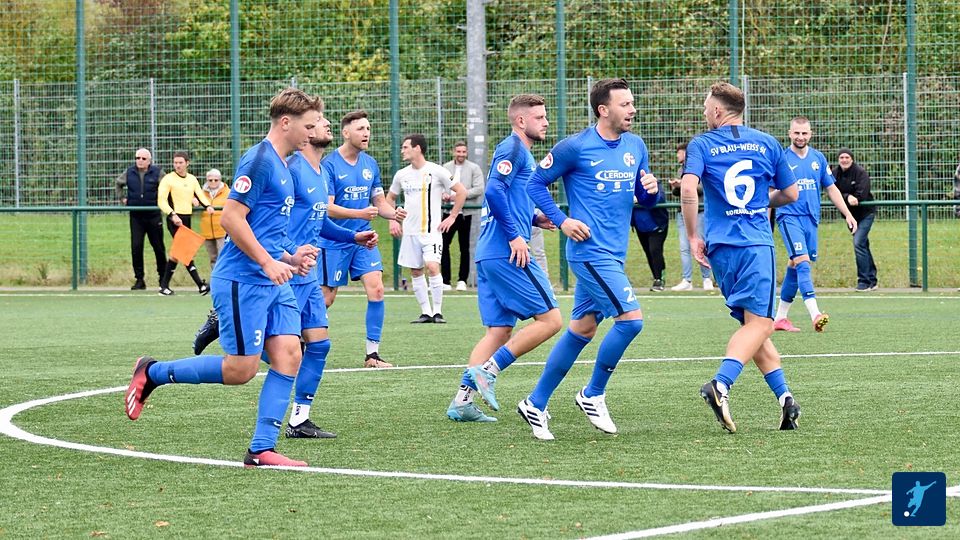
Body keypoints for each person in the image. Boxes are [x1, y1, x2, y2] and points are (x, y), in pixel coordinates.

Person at [124, 88, 323, 467]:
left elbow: (264, 230)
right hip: (242, 279)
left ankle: (261, 449)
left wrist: (290, 256)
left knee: (289, 353)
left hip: (271, 279)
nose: (312, 134)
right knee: (240, 370)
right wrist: (268, 263)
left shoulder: (285, 165)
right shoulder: (260, 160)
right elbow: (231, 218)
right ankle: (152, 372)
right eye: (308, 126)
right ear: (286, 123)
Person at [521, 78, 659, 440]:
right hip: (589, 253)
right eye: (625, 104)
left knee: (582, 329)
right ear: (603, 109)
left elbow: (645, 199)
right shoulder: (575, 147)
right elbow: (534, 184)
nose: (632, 110)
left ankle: (535, 402)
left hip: (614, 253)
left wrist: (651, 192)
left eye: (632, 103)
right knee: (631, 321)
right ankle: (593, 393)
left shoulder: (636, 146)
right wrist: (563, 220)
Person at [680, 81, 801, 433]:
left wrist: (693, 235)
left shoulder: (701, 144)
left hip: (720, 248)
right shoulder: (767, 142)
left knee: (752, 326)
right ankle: (720, 385)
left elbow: (688, 188)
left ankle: (786, 399)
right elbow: (791, 193)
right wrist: (764, 201)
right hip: (754, 244)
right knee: (761, 324)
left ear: (718, 111)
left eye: (706, 107)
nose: (704, 112)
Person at [445, 94, 562, 424]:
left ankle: (462, 403)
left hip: (488, 254)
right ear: (521, 121)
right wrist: (514, 235)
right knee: (551, 320)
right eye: (539, 117)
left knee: (498, 331)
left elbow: (506, 197)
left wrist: (534, 218)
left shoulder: (520, 153)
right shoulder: (513, 148)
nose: (546, 122)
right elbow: (494, 191)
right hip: (506, 251)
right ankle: (490, 371)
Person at [283, 98, 379, 438]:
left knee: (319, 345)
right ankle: (227, 328)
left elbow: (320, 221)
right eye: (318, 121)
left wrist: (354, 237)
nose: (325, 124)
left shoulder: (322, 172)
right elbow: (268, 223)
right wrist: (288, 254)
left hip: (307, 275)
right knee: (272, 356)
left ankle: (299, 420)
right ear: (306, 132)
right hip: (287, 272)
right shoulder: (291, 169)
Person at [320, 110, 406, 368]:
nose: (366, 133)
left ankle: (372, 355)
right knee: (325, 299)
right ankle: (297, 342)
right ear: (346, 133)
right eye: (360, 129)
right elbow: (327, 208)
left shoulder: (370, 164)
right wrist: (359, 213)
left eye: (368, 128)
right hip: (335, 239)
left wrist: (394, 213)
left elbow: (379, 202)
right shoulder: (329, 165)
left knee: (377, 289)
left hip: (364, 240)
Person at [772, 117, 857, 333]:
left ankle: (780, 318)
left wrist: (847, 214)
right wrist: (764, 219)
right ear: (790, 133)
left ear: (810, 134)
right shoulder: (782, 159)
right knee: (802, 262)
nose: (800, 137)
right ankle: (815, 314)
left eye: (804, 133)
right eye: (796, 133)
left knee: (795, 265)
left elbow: (831, 189)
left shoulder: (818, 158)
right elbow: (770, 193)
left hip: (810, 219)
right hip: (789, 216)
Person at [386, 134, 467, 323]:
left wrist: (452, 216)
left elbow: (461, 191)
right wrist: (393, 220)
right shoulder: (402, 175)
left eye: (405, 147)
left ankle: (438, 312)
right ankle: (426, 312)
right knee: (416, 271)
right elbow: (390, 198)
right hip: (410, 232)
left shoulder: (436, 171)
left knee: (432, 266)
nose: (402, 151)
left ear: (417, 148)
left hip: (432, 232)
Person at [157, 151, 214, 296]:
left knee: (178, 253)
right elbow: (161, 201)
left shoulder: (192, 179)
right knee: (185, 251)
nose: (178, 165)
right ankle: (200, 284)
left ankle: (164, 286)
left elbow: (200, 195)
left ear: (187, 163)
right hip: (175, 219)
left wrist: (208, 206)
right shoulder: (168, 179)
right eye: (175, 163)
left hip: (186, 218)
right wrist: (172, 214)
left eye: (180, 163)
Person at [116, 148, 166, 290]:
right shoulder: (129, 172)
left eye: (143, 158)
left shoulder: (158, 172)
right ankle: (139, 279)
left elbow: (167, 187)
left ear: (149, 160)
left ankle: (163, 278)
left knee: (158, 247)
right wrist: (122, 198)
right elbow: (118, 183)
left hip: (153, 215)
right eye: (138, 158)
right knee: (136, 247)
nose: (140, 161)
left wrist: (163, 202)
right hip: (136, 216)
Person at [668, 142, 713, 291]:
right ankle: (687, 280)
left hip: (699, 212)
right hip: (682, 213)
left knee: (701, 245)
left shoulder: (700, 166)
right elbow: (678, 193)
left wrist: (684, 184)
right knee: (684, 247)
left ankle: (707, 278)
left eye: (679, 152)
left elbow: (700, 188)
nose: (677, 155)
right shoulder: (681, 169)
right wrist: (676, 186)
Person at [441, 141, 485, 291]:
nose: (461, 154)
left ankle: (462, 280)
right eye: (458, 151)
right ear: (454, 152)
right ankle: (445, 281)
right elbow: (439, 186)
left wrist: (461, 195)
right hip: (447, 212)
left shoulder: (474, 168)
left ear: (466, 153)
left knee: (464, 247)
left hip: (465, 213)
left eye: (463, 152)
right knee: (443, 245)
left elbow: (479, 188)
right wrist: (444, 195)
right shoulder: (445, 168)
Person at [832, 148, 878, 291]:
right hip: (849, 216)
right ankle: (872, 280)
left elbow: (861, 195)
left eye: (847, 157)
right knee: (862, 245)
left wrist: (852, 197)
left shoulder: (860, 173)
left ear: (852, 159)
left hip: (865, 214)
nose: (844, 160)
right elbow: (832, 191)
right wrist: (847, 197)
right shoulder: (835, 173)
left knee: (858, 243)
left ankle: (863, 281)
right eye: (841, 157)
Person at [630, 179, 669, 291]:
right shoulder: (630, 185)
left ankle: (660, 279)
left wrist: (641, 198)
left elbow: (660, 197)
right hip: (641, 227)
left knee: (655, 250)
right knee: (648, 252)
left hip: (657, 226)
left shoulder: (654, 182)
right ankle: (656, 278)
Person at [199, 169, 230, 268]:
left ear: (220, 180)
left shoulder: (227, 192)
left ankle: (224, 277)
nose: (213, 182)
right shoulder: (201, 193)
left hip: (222, 230)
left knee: (223, 257)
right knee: (212, 258)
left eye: (216, 180)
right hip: (207, 230)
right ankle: (215, 276)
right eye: (210, 180)